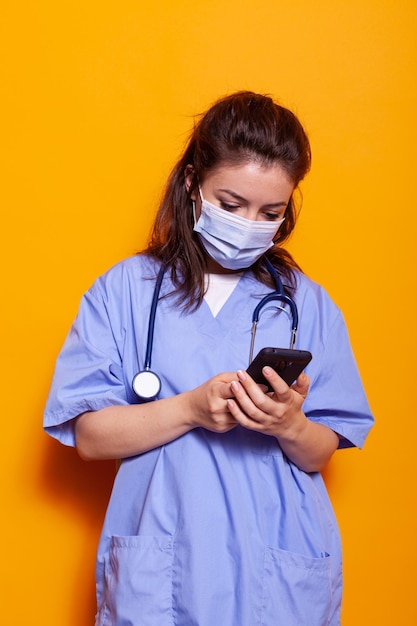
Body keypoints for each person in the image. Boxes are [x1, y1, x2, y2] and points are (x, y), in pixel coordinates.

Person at [44, 91, 373, 626]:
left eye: (271, 212)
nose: (250, 224)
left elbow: (321, 452)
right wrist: (191, 409)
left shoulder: (307, 303)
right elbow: (88, 438)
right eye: (231, 203)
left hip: (277, 562)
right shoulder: (124, 291)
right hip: (162, 559)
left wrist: (289, 425)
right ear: (193, 182)